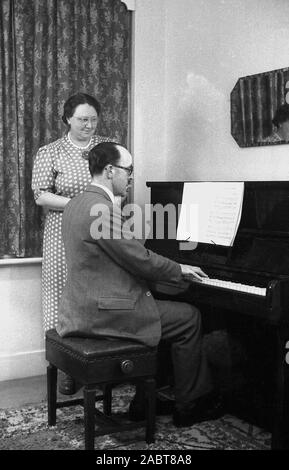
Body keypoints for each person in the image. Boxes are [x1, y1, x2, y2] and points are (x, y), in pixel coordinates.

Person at [56, 141, 224, 427]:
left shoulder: (77, 202)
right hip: (105, 312)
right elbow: (138, 257)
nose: (131, 176)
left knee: (168, 311)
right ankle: (189, 404)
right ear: (110, 171)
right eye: (128, 169)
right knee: (189, 318)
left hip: (83, 305)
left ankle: (146, 400)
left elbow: (121, 256)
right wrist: (179, 268)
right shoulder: (102, 209)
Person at [31, 93, 110, 394]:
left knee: (95, 295)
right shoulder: (50, 152)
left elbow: (119, 188)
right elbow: (41, 195)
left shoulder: (107, 150)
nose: (89, 125)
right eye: (82, 120)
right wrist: (80, 203)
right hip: (60, 233)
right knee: (60, 297)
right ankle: (64, 367)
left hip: (100, 230)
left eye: (93, 119)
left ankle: (96, 365)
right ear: (67, 119)